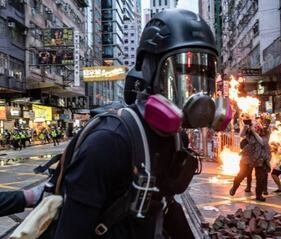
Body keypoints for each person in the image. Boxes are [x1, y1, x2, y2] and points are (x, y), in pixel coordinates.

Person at [52, 9, 226, 239]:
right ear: (148, 69)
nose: (196, 96)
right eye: (181, 76)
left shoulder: (175, 138)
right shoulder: (108, 141)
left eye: (202, 77)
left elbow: (164, 205)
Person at [230, 116, 269, 202]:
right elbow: (241, 135)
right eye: (254, 124)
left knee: (261, 177)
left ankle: (259, 195)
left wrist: (254, 132)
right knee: (242, 174)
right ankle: (234, 187)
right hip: (248, 155)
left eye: (257, 125)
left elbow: (262, 142)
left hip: (260, 156)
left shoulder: (265, 132)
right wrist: (245, 127)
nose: (256, 125)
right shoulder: (249, 131)